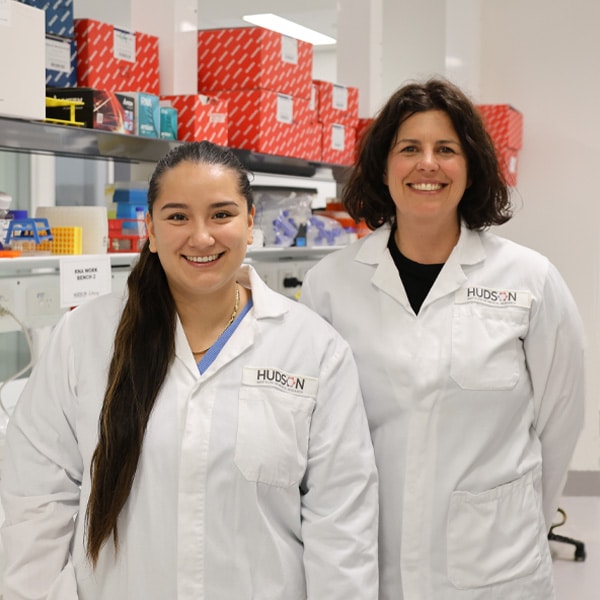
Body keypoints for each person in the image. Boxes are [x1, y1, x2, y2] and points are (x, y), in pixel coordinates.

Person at [0, 141, 379, 600]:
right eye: (178, 216)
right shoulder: (82, 338)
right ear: (152, 230)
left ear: (250, 224)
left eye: (221, 215)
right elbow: (34, 505)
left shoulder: (313, 349)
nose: (201, 237)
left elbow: (341, 527)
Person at [300, 77, 585, 600]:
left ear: (470, 167)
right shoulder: (331, 284)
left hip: (498, 567)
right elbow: (314, 436)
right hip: (370, 559)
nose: (426, 164)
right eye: (409, 148)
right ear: (383, 167)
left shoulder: (530, 280)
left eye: (446, 149)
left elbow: (559, 423)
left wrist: (525, 520)